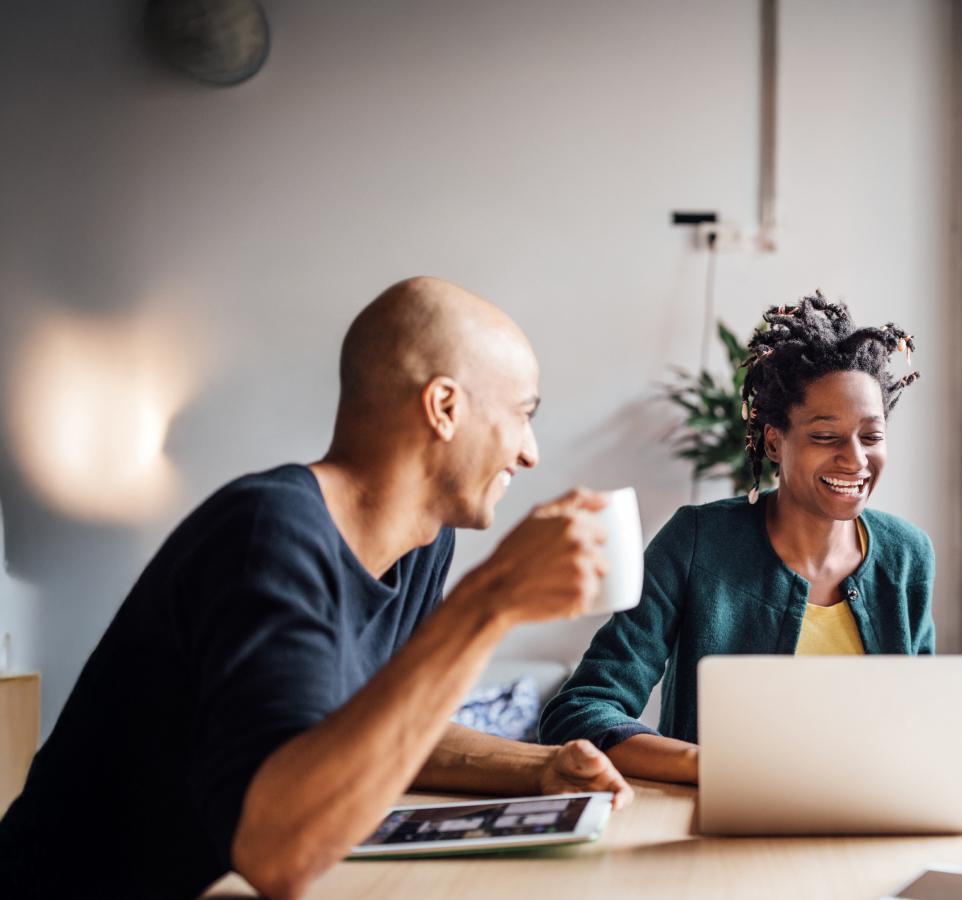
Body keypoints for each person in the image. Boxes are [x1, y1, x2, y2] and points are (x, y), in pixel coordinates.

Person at [0, 277, 633, 898]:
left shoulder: (424, 541)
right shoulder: (269, 533)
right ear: (443, 408)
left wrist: (541, 768)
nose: (530, 454)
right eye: (523, 415)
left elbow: (382, 727)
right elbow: (278, 855)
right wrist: (488, 600)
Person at [540, 293, 935, 784]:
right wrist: (710, 766)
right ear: (774, 440)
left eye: (871, 437)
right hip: (717, 826)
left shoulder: (906, 555)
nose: (855, 460)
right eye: (825, 436)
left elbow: (920, 721)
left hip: (869, 817)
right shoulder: (696, 542)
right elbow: (580, 711)